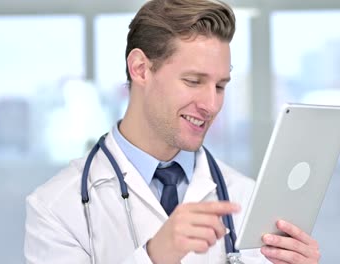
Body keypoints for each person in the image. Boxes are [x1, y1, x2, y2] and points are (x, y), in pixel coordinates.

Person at [24, 0, 321, 263]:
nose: (211, 104)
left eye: (220, 86)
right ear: (140, 68)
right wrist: (155, 257)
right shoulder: (57, 208)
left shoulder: (247, 200)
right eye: (193, 81)